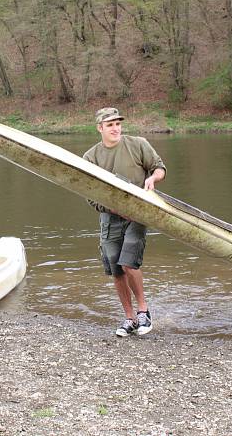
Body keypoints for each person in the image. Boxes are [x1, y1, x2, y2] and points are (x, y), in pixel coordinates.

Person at [83, 107, 166, 337]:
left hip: (139, 213)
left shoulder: (138, 144)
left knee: (129, 263)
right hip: (109, 218)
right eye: (110, 124)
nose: (115, 128)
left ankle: (143, 312)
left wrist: (152, 178)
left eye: (118, 123)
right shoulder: (91, 157)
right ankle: (129, 318)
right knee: (117, 270)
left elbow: (160, 168)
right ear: (100, 128)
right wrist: (113, 208)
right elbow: (90, 194)